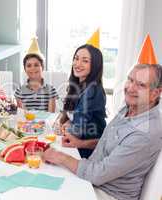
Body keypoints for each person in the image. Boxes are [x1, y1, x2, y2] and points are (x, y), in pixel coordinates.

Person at [43, 63, 162, 200]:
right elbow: (112, 142)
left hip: (107, 193)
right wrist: (81, 143)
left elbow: (98, 175)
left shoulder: (145, 133)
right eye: (130, 80)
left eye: (141, 85)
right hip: (93, 179)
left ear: (155, 93)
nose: (130, 88)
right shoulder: (130, 107)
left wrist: (61, 157)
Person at [59, 44, 106, 158]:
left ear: (94, 66)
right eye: (76, 58)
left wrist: (67, 126)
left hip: (88, 153)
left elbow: (77, 131)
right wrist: (69, 123)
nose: (77, 64)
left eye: (85, 61)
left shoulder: (92, 90)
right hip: (77, 147)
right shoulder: (80, 85)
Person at [14, 38, 58, 112]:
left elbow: (51, 115)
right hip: (26, 123)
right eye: (29, 65)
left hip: (46, 123)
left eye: (36, 65)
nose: (33, 68)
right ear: (25, 69)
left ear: (42, 67)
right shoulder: (19, 91)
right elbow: (22, 115)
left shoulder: (51, 90)